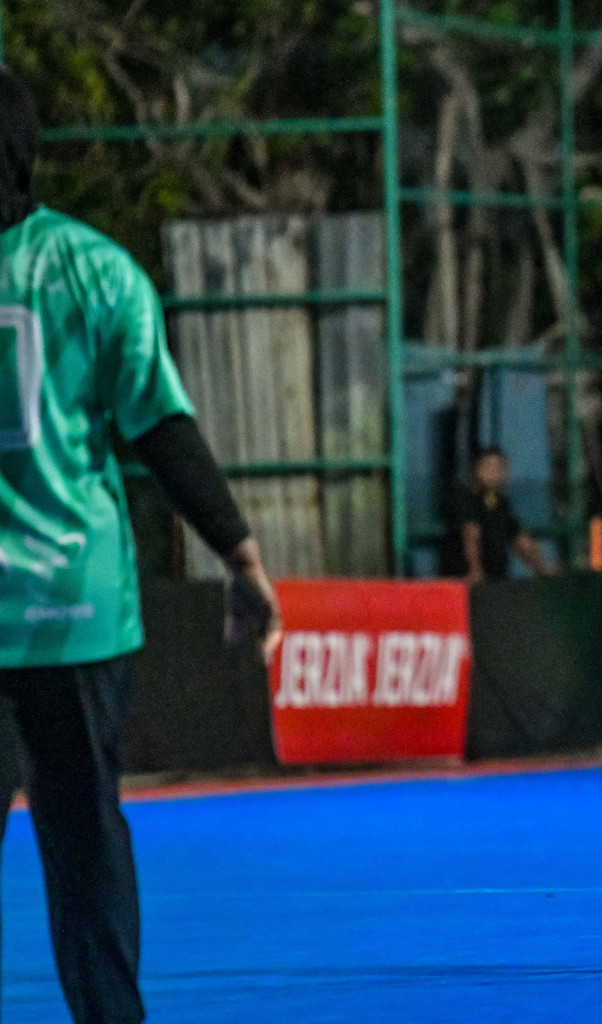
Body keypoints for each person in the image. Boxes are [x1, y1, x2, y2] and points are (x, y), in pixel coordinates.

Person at [0, 69, 281, 1024]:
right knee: (84, 838)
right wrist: (240, 558)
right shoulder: (92, 268)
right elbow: (160, 433)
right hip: (72, 612)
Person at [445, 445, 555, 582]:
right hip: (467, 583)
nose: (494, 474)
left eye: (499, 468)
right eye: (488, 468)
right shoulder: (464, 498)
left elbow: (519, 538)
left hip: (498, 579)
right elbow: (471, 535)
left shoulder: (499, 501)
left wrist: (542, 567)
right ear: (475, 469)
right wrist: (475, 570)